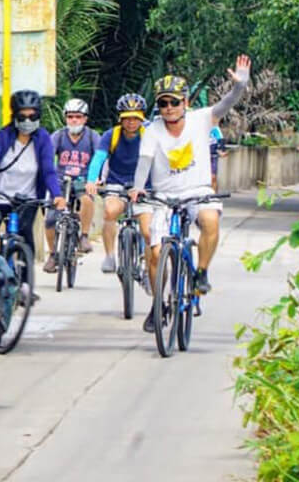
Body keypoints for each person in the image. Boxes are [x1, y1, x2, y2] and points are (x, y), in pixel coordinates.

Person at [129, 55, 252, 333]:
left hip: (197, 192)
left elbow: (227, 103)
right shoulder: (152, 131)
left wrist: (239, 86)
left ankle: (201, 272)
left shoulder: (201, 119)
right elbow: (144, 162)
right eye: (163, 103)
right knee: (156, 253)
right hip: (164, 197)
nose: (169, 108)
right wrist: (138, 188)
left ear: (185, 102)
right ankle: (158, 304)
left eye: (174, 102)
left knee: (210, 220)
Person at [0, 90, 68, 281]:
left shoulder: (43, 139)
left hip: (27, 200)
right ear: (14, 116)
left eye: (33, 116)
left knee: (26, 239)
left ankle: (26, 285)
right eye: (22, 116)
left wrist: (57, 195)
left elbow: (48, 170)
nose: (28, 121)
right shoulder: (3, 137)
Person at [85, 93, 149, 274]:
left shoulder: (149, 135)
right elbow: (98, 158)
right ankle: (110, 255)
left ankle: (146, 258)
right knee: (110, 211)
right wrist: (91, 180)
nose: (131, 123)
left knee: (147, 224)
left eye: (135, 118)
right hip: (117, 183)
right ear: (120, 118)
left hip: (143, 186)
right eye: (126, 118)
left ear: (142, 118)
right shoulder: (111, 135)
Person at [44, 98, 102, 270]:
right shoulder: (58, 136)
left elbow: (101, 158)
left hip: (83, 180)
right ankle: (53, 255)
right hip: (61, 180)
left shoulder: (92, 137)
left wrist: (97, 179)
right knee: (50, 220)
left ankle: (84, 236)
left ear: (85, 118)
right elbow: (47, 157)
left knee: (86, 200)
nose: (74, 120)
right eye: (70, 117)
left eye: (78, 116)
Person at [209, 126, 227, 192]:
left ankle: (214, 196)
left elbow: (221, 141)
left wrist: (222, 151)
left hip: (213, 155)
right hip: (202, 156)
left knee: (213, 177)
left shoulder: (215, 128)